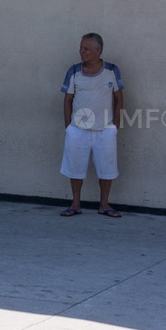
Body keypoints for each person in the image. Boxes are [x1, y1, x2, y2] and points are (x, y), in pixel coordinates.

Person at [59, 31, 125, 218]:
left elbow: (119, 98)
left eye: (86, 48)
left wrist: (115, 127)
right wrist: (68, 127)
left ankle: (104, 204)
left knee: (107, 168)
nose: (81, 51)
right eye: (81, 48)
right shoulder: (73, 71)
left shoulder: (112, 70)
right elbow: (67, 99)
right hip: (77, 130)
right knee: (75, 167)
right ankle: (75, 203)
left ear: (98, 51)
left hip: (105, 130)